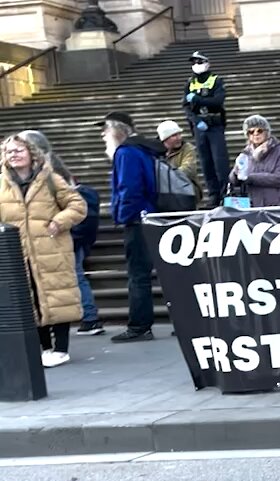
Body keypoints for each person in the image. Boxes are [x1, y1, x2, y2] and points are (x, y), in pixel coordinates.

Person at [0, 134, 88, 367]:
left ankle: (60, 348)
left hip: (51, 249)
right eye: (9, 151)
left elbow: (77, 205)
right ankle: (44, 348)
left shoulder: (50, 178)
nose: (14, 155)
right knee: (30, 299)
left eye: (19, 150)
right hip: (18, 251)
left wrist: (59, 221)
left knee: (57, 296)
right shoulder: (2, 184)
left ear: (31, 152)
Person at [17, 130, 102, 336]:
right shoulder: (54, 165)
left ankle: (88, 317)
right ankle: (84, 318)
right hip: (63, 232)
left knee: (71, 275)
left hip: (59, 233)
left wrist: (57, 222)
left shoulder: (47, 172)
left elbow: (71, 201)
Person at [98, 112, 162, 343]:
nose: (102, 134)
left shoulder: (126, 152)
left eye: (105, 129)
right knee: (151, 273)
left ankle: (139, 326)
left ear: (117, 130)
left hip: (137, 220)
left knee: (138, 276)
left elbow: (129, 188)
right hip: (149, 216)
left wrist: (124, 215)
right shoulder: (143, 149)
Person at [182, 51, 228, 207]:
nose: (196, 65)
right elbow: (187, 107)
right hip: (200, 127)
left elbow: (218, 101)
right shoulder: (190, 83)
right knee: (206, 163)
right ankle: (214, 195)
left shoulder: (216, 81)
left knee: (219, 162)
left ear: (207, 63)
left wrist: (199, 99)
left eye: (199, 62)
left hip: (214, 125)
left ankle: (225, 193)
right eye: (194, 63)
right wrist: (195, 120)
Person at [231, 115, 280, 208]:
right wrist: (236, 173)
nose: (255, 134)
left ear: (267, 132)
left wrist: (250, 178)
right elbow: (233, 180)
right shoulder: (245, 154)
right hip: (254, 206)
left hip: (278, 206)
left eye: (259, 130)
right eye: (251, 131)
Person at [157, 120, 201, 203]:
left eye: (179, 134)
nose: (179, 138)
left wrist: (166, 177)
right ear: (165, 139)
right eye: (174, 135)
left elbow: (188, 169)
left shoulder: (187, 149)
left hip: (185, 189)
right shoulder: (155, 152)